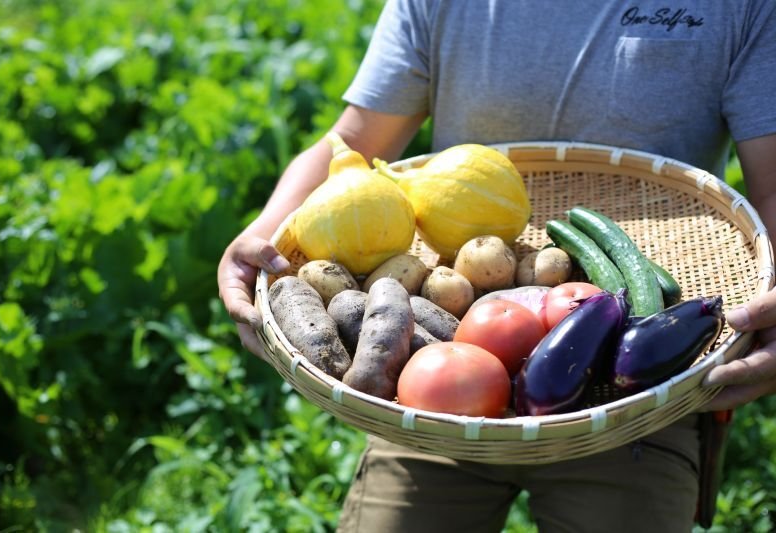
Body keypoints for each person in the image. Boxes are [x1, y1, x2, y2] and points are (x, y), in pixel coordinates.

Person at [218, 1, 776, 531]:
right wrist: (265, 235)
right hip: (433, 390)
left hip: (632, 396)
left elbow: (769, 184)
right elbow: (354, 141)